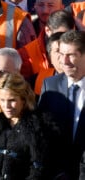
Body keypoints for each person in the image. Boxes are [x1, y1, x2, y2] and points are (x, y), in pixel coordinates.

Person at [0, 73, 55, 179]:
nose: (6, 106)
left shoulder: (38, 126)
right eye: (2, 100)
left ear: (23, 99)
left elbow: (39, 166)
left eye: (12, 100)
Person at [39, 30, 85, 178]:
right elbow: (41, 130)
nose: (64, 61)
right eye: (61, 54)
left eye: (71, 55)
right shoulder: (50, 85)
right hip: (56, 172)